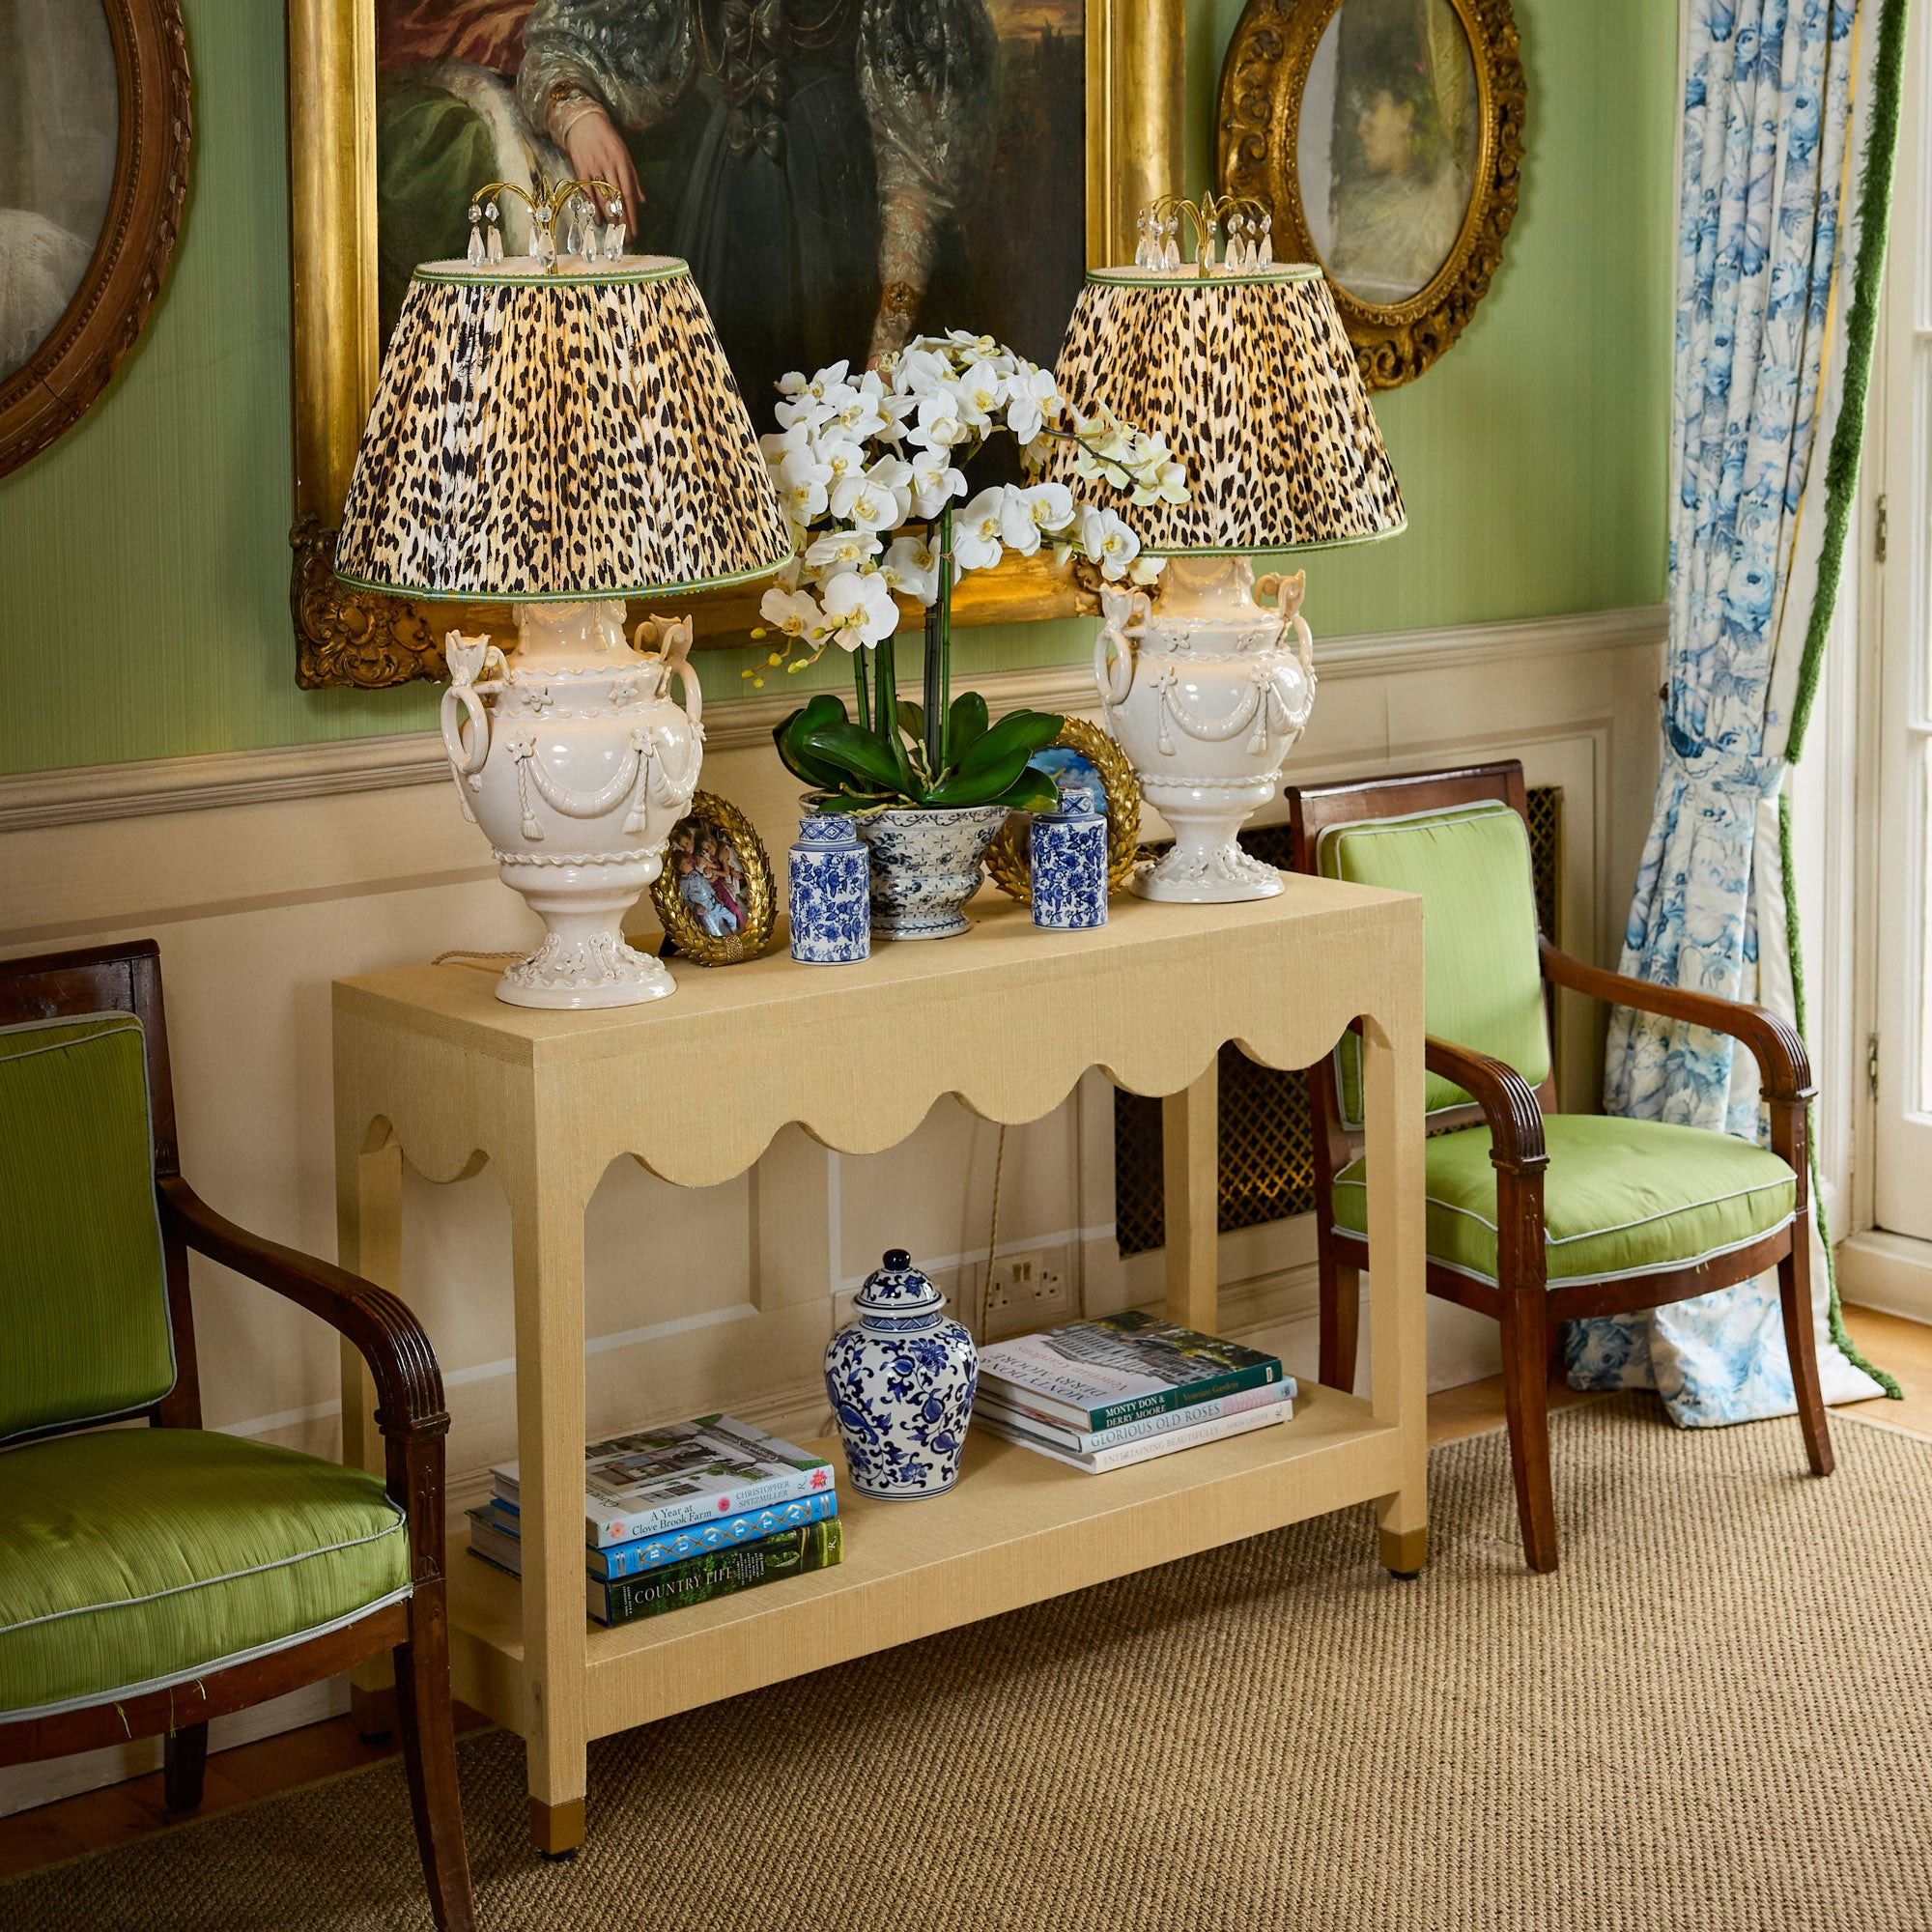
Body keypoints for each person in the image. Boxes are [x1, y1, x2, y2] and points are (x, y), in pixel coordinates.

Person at [514, 0, 998, 411]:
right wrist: (579, 115)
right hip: (707, 217)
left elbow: (915, 156)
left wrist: (888, 347)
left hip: (842, 229)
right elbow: (564, 44)